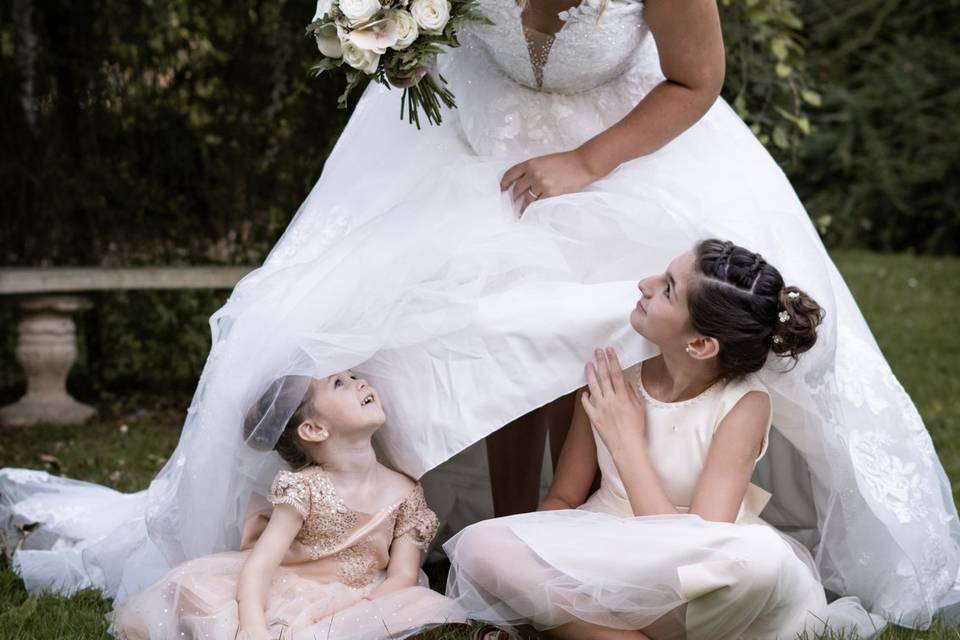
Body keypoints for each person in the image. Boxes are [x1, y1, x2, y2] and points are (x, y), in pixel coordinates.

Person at [1, 0, 958, 631]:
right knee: (461, 330)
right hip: (468, 143)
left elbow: (695, 81)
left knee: (573, 331)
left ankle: (544, 549)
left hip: (622, 147)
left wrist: (586, 167)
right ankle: (499, 537)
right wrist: (390, 41)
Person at [446, 239, 883, 639]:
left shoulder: (744, 404)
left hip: (695, 579)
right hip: (608, 549)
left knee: (764, 560)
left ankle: (566, 625)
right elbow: (562, 500)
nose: (645, 283)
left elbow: (695, 547)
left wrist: (626, 442)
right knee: (481, 547)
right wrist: (541, 548)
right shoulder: (611, 384)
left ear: (699, 345)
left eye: (668, 289)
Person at [112, 371, 462, 640]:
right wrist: (252, 627)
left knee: (423, 607)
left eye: (355, 376)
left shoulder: (405, 491)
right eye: (340, 384)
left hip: (371, 594)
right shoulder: (305, 488)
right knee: (193, 591)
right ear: (313, 429)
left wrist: (361, 615)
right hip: (293, 587)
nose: (360, 383)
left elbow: (402, 574)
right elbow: (261, 566)